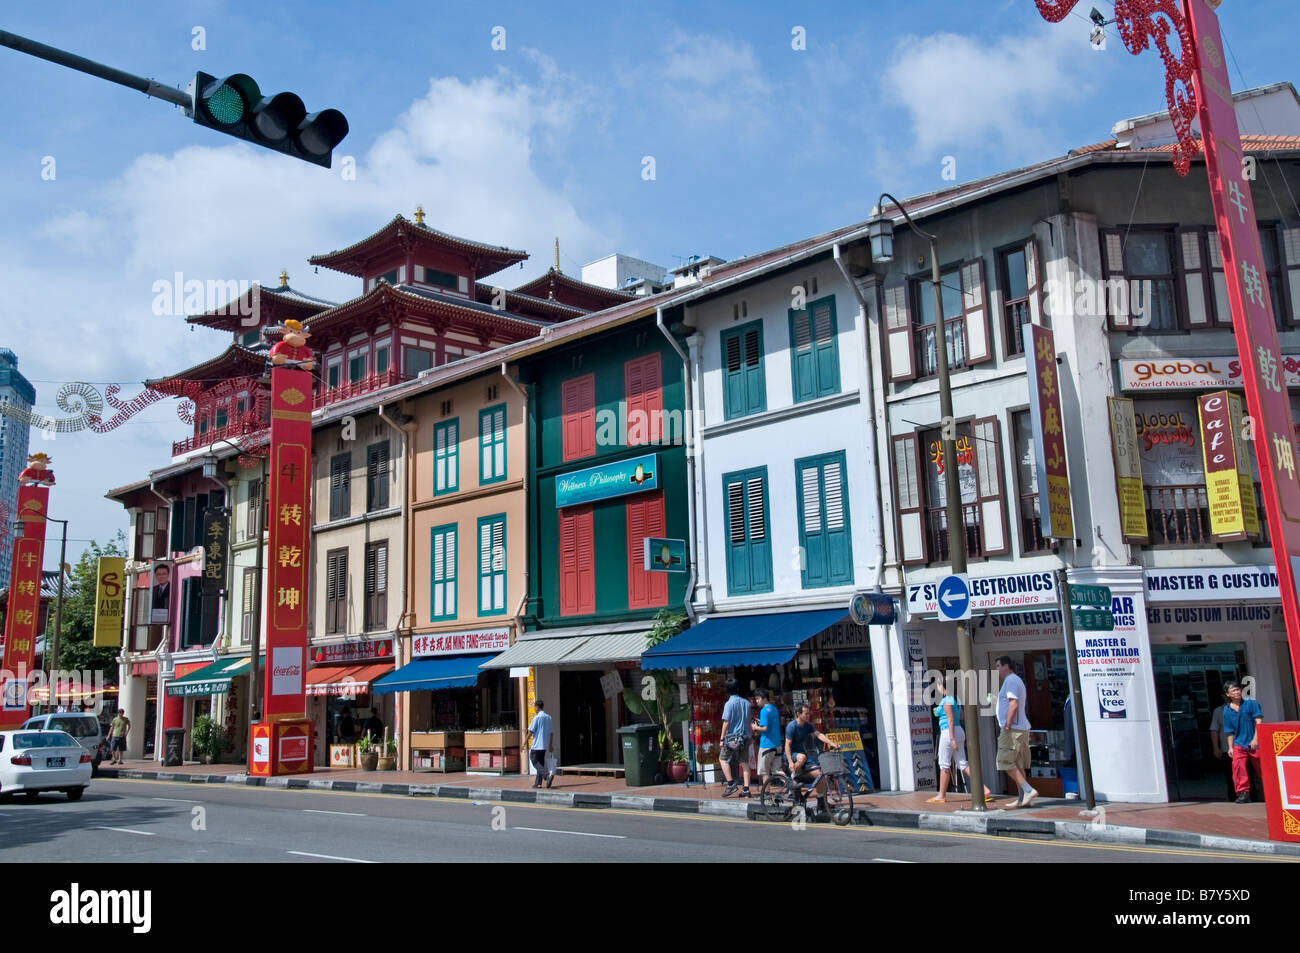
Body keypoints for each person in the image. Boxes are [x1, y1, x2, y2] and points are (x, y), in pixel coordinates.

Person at [927, 689, 990, 804]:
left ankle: (941, 795)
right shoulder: (957, 699)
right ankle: (984, 789)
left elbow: (950, 720)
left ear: (945, 688)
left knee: (944, 764)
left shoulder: (946, 700)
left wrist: (952, 739)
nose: (938, 688)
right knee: (962, 764)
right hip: (959, 730)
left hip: (948, 732)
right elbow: (961, 716)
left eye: (940, 686)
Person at [995, 656, 1038, 809]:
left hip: (1012, 729)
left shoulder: (1011, 680)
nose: (997, 669)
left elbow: (1013, 704)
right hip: (1019, 728)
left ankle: (1028, 790)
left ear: (1007, 665)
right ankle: (1022, 799)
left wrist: (1007, 725)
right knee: (1017, 764)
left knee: (1004, 762)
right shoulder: (1014, 680)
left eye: (999, 666)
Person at [1221, 681, 1264, 804]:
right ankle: (1243, 793)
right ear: (1227, 694)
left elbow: (1259, 721)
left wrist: (1255, 739)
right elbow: (1229, 731)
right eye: (1233, 690)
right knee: (1238, 768)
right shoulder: (1227, 710)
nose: (1237, 692)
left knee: (1263, 768)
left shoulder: (1251, 703)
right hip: (1239, 743)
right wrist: (1230, 747)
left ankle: (1271, 790)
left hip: (1255, 742)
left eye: (1238, 689)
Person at [783, 702, 839, 781]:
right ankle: (792, 777)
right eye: (806, 714)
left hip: (802, 754)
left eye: (809, 713)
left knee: (819, 774)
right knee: (802, 757)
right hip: (791, 754)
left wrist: (832, 743)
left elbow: (819, 734)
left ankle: (821, 793)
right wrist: (790, 762)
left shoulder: (808, 725)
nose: (808, 716)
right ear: (798, 714)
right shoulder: (791, 726)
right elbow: (787, 745)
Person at [718, 678, 753, 798]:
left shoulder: (729, 704)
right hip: (745, 737)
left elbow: (726, 722)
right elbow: (748, 721)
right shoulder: (747, 703)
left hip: (732, 738)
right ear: (737, 688)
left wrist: (722, 739)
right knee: (744, 762)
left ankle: (731, 783)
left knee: (723, 759)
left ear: (727, 690)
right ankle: (746, 789)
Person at [751, 689, 782, 784]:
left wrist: (755, 727)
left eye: (758, 699)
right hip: (777, 744)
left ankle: (766, 794)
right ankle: (790, 786)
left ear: (764, 698)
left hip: (766, 745)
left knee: (764, 771)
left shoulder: (764, 711)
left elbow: (765, 728)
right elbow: (771, 724)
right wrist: (760, 722)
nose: (756, 701)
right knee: (777, 770)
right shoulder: (774, 708)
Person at [1208, 694, 1235, 801]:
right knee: (1231, 776)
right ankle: (1233, 798)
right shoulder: (1219, 711)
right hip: (1227, 748)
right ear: (1224, 696)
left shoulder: (1244, 708)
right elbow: (1214, 729)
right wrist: (1215, 747)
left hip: (1244, 746)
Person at [527, 700, 555, 789]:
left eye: (534, 707)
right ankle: (538, 783)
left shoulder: (537, 718)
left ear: (537, 707)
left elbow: (530, 732)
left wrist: (524, 742)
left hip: (536, 745)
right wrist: (550, 745)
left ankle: (547, 776)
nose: (534, 708)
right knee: (540, 763)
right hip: (544, 745)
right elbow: (551, 733)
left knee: (534, 760)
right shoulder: (548, 717)